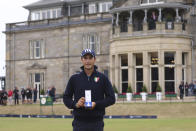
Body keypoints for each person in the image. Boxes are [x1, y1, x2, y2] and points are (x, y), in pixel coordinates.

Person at [63, 49, 115, 131]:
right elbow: (66, 98)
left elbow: (111, 98)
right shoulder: (74, 79)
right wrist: (76, 104)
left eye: (90, 58)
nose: (88, 61)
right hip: (79, 123)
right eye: (85, 58)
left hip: (96, 124)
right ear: (81, 60)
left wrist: (96, 104)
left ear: (94, 59)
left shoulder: (102, 78)